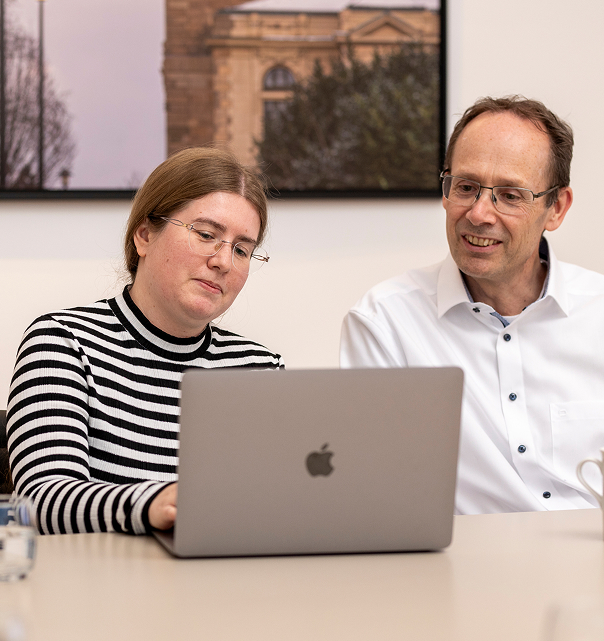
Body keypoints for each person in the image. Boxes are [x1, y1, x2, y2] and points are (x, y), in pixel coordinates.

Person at [341, 95, 604, 514]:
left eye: (510, 195)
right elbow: (374, 494)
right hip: (462, 556)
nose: (479, 214)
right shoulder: (385, 322)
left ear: (556, 208)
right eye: (466, 187)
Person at [7, 147, 283, 534]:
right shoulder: (63, 342)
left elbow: (275, 506)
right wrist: (153, 503)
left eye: (242, 249)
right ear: (145, 236)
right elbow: (42, 501)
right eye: (206, 235)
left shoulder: (260, 368)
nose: (223, 261)